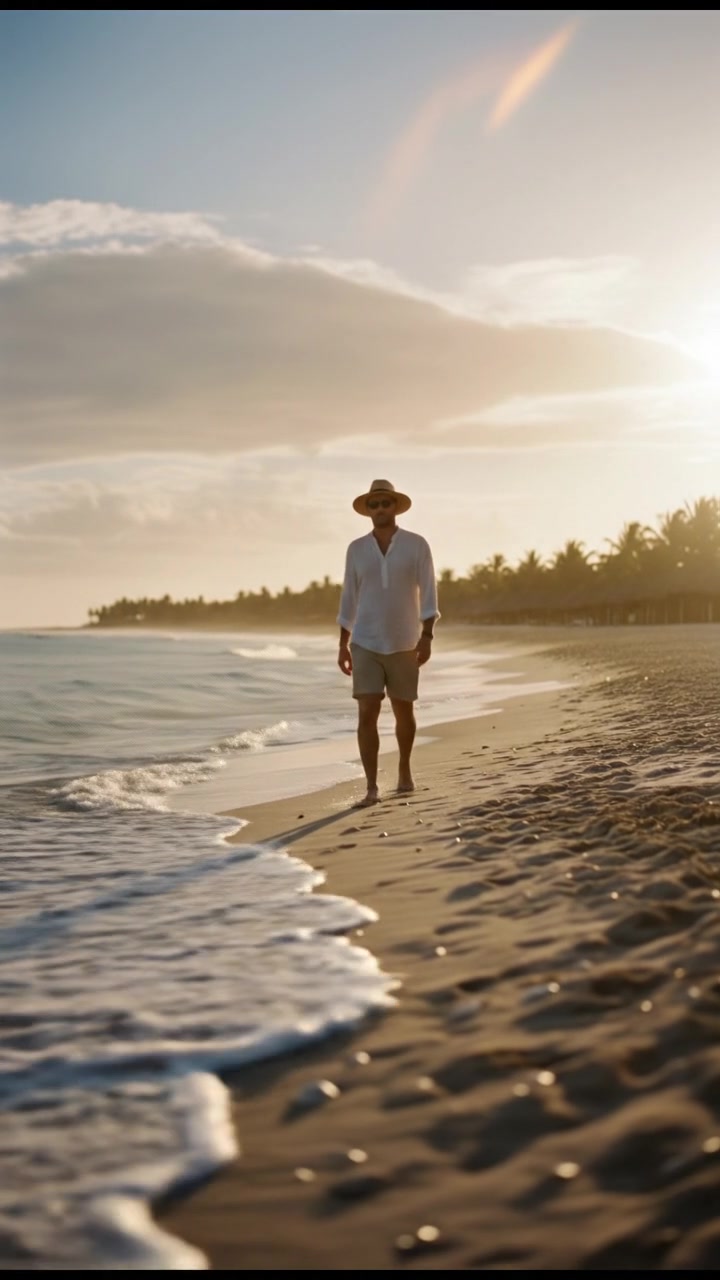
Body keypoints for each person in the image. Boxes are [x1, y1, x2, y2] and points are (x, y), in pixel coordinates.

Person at [337, 479, 440, 807]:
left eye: (385, 503)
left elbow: (429, 592)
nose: (380, 509)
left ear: (395, 507)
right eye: (374, 504)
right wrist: (343, 642)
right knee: (366, 711)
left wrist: (427, 636)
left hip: (405, 640)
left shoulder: (417, 545)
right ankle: (370, 787)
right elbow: (348, 596)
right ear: (367, 510)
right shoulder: (356, 549)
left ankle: (404, 771)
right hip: (365, 641)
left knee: (403, 710)